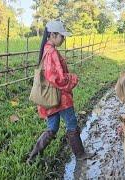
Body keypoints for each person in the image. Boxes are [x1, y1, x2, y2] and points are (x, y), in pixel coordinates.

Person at [26, 20, 94, 164]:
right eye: (62, 36)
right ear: (52, 35)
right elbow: (57, 78)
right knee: (72, 124)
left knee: (53, 127)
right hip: (60, 98)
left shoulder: (46, 50)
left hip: (49, 98)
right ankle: (80, 154)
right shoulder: (52, 52)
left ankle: (33, 156)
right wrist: (73, 78)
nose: (64, 39)